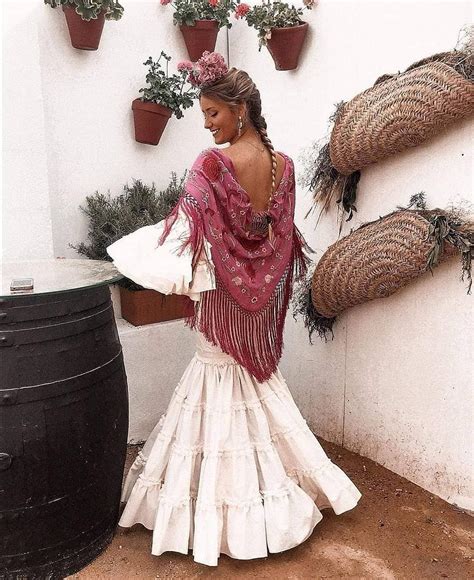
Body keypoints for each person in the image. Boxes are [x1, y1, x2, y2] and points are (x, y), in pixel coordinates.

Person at [107, 52, 361, 567]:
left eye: (213, 114)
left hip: (220, 299)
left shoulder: (212, 166)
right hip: (258, 301)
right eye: (203, 115)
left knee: (216, 378)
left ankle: (221, 515)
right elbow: (282, 241)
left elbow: (187, 235)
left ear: (240, 108)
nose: (206, 125)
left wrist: (138, 256)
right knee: (253, 384)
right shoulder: (283, 166)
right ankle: (276, 498)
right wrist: (256, 278)